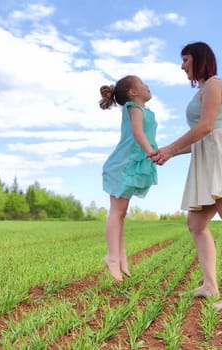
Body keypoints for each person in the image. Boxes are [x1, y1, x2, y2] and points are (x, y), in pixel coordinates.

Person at [150, 42, 222, 311]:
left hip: (221, 159)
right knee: (196, 224)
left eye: (185, 59)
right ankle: (210, 285)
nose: (182, 66)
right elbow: (201, 136)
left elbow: (207, 126)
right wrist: (169, 153)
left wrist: (171, 147)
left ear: (198, 59)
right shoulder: (202, 89)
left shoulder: (214, 84)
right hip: (207, 159)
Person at [99, 75, 158, 282]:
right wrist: (150, 151)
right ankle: (112, 258)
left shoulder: (144, 110)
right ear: (133, 93)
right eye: (142, 83)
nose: (146, 85)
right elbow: (137, 131)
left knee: (122, 212)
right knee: (117, 212)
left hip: (131, 164)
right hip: (122, 166)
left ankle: (121, 256)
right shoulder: (133, 107)